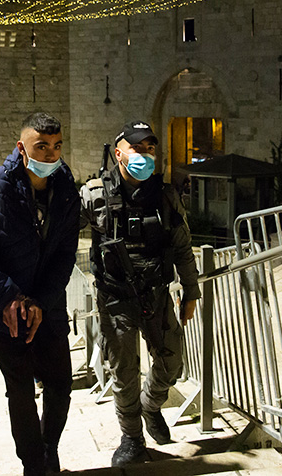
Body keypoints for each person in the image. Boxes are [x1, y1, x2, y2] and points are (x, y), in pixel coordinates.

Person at [0, 112, 80, 476]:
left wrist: (41, 302)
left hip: (48, 307)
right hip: (5, 310)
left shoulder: (65, 189)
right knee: (20, 392)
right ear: (21, 148)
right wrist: (11, 298)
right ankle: (33, 464)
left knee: (60, 384)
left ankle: (49, 448)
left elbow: (65, 253)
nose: (49, 155)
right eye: (41, 147)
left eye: (56, 147)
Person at [80, 120, 201, 466]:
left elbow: (182, 246)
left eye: (151, 149)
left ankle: (151, 406)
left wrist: (190, 290)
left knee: (172, 361)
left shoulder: (164, 196)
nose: (146, 155)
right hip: (115, 298)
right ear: (118, 153)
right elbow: (59, 233)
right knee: (124, 372)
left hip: (157, 294)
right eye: (138, 149)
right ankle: (131, 438)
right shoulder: (95, 195)